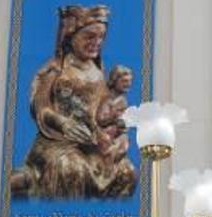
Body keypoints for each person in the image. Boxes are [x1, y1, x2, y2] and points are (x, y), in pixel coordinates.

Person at [11, 5, 136, 199]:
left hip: (91, 142)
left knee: (126, 170)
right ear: (71, 36)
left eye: (101, 37)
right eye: (89, 37)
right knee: (71, 169)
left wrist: (112, 127)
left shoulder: (98, 73)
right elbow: (41, 107)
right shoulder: (55, 70)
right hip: (57, 143)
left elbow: (100, 112)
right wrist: (64, 122)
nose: (97, 42)